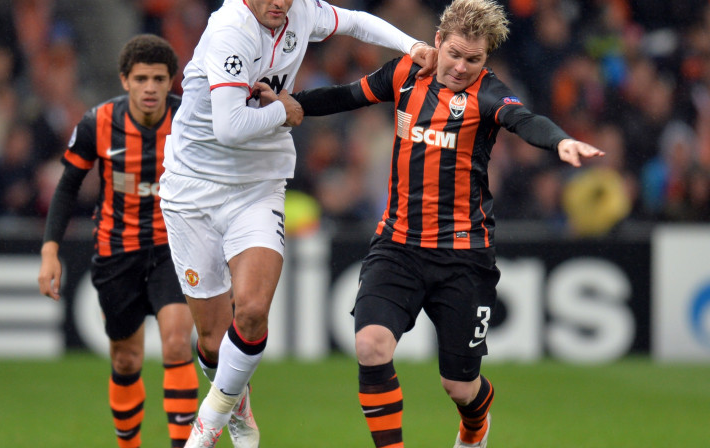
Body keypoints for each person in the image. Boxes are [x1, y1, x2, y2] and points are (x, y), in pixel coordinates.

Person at [288, 0, 605, 446]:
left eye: (473, 59)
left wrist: (561, 142)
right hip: (396, 246)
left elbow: (524, 121)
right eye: (454, 53)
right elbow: (347, 95)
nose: (460, 67)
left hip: (463, 258)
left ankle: (475, 425)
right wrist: (291, 104)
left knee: (459, 387)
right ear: (437, 41)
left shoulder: (489, 94)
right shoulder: (404, 74)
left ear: (486, 59)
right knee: (370, 347)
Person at [157, 0, 438, 446]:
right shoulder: (231, 30)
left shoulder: (300, 12)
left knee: (250, 312)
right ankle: (236, 400)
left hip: (258, 183)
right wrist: (285, 111)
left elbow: (357, 22)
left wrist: (413, 46)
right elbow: (230, 126)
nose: (279, 3)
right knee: (212, 343)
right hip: (192, 188)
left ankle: (207, 425)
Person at [37, 34, 199, 448]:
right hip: (117, 251)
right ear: (125, 80)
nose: (150, 88)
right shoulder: (97, 123)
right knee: (126, 358)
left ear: (171, 82)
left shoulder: (190, 121)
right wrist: (50, 250)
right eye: (141, 78)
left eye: (159, 79)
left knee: (178, 341)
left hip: (174, 248)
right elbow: (67, 187)